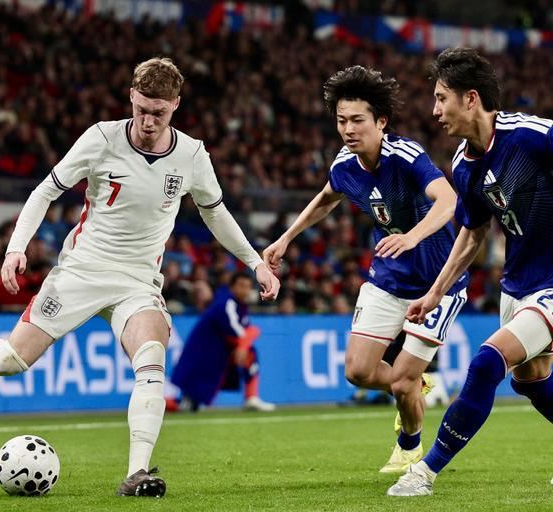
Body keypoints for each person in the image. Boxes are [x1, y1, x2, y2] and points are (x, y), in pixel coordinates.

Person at [0, 57, 280, 498]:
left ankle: (137, 473)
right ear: (131, 96)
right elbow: (45, 191)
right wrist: (16, 247)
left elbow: (215, 213)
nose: (148, 121)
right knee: (12, 362)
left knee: (152, 357)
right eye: (142, 109)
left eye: (159, 113)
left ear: (176, 105)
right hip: (81, 272)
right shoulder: (101, 138)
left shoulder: (192, 155)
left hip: (138, 282)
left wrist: (255, 262)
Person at [263, 65, 468, 474]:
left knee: (401, 381)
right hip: (388, 279)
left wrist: (411, 237)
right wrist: (286, 238)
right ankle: (416, 385)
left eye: (357, 120)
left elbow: (448, 201)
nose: (348, 129)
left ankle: (409, 446)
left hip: (437, 283)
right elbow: (327, 197)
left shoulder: (406, 157)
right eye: (341, 121)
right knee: (357, 372)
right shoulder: (344, 164)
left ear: (381, 122)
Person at [388, 47, 553, 496]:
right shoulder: (464, 165)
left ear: (471, 98)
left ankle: (423, 473)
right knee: (532, 382)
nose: (435, 110)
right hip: (518, 284)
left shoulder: (532, 137)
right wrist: (435, 293)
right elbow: (472, 233)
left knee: (485, 363)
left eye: (442, 98)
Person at [170, 272, 276, 413]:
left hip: (215, 356)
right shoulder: (227, 303)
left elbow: (243, 332)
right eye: (241, 286)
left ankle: (252, 398)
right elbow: (240, 332)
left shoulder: (239, 305)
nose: (245, 290)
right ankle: (153, 404)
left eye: (248, 287)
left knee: (250, 353)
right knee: (188, 405)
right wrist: (249, 338)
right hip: (202, 357)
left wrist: (246, 340)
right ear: (232, 287)